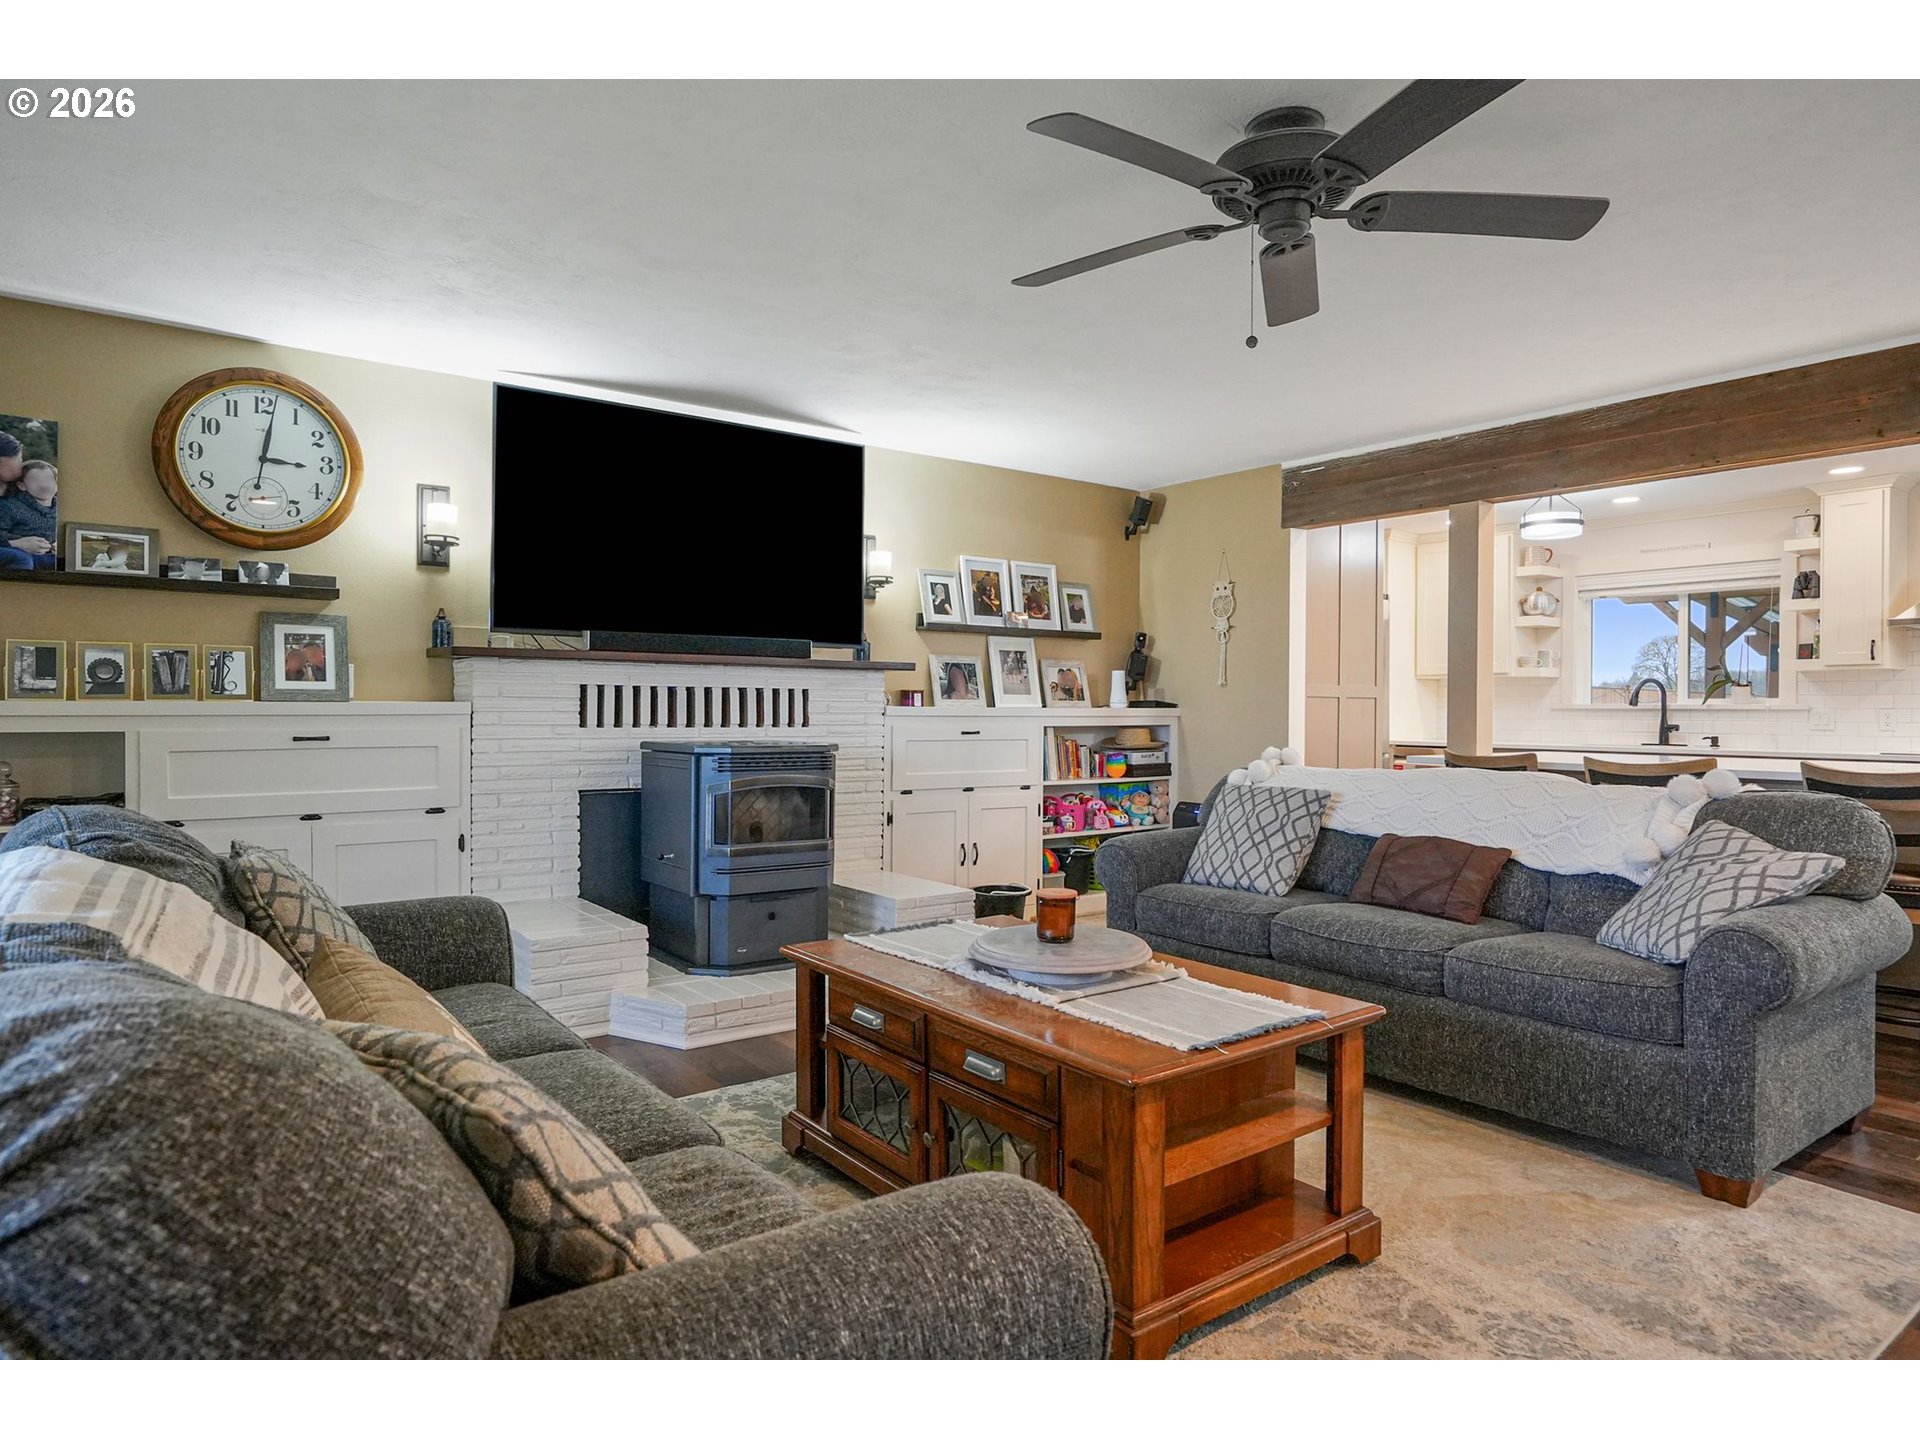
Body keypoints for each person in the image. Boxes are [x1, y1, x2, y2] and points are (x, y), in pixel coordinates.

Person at [0, 457, 57, 571]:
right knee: (22, 559)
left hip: (46, 557)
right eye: (35, 480)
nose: (43, 485)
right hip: (20, 555)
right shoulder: (9, 507)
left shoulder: (63, 509)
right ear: (22, 485)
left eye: (48, 479)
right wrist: (17, 543)